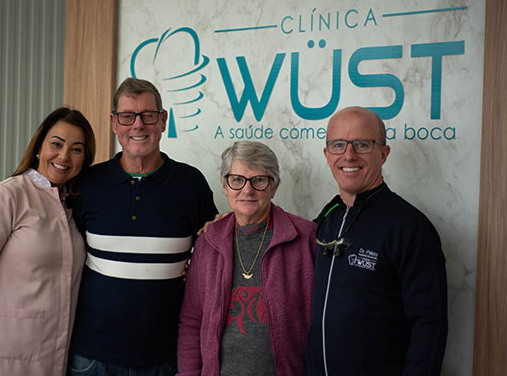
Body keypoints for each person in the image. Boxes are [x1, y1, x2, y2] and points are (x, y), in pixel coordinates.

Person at [67, 78, 218, 376]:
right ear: (114, 122)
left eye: (148, 115)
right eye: (127, 116)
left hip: (165, 356)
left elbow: (212, 250)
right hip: (93, 357)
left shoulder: (191, 184)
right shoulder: (88, 184)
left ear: (163, 121)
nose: (138, 125)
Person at [0, 107, 97, 376]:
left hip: (57, 358)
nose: (64, 156)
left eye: (76, 149)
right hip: (2, 359)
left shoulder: (74, 207)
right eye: (56, 144)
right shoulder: (6, 197)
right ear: (39, 147)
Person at [305, 106, 448, 376]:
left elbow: (430, 325)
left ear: (383, 153)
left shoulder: (410, 227)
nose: (349, 155)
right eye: (338, 145)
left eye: (362, 144)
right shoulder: (326, 218)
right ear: (327, 155)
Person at [177, 141, 318, 376]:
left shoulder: (306, 238)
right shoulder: (208, 242)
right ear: (224, 185)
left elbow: (322, 324)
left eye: (259, 180)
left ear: (274, 186)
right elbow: (192, 320)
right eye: (237, 180)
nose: (247, 190)